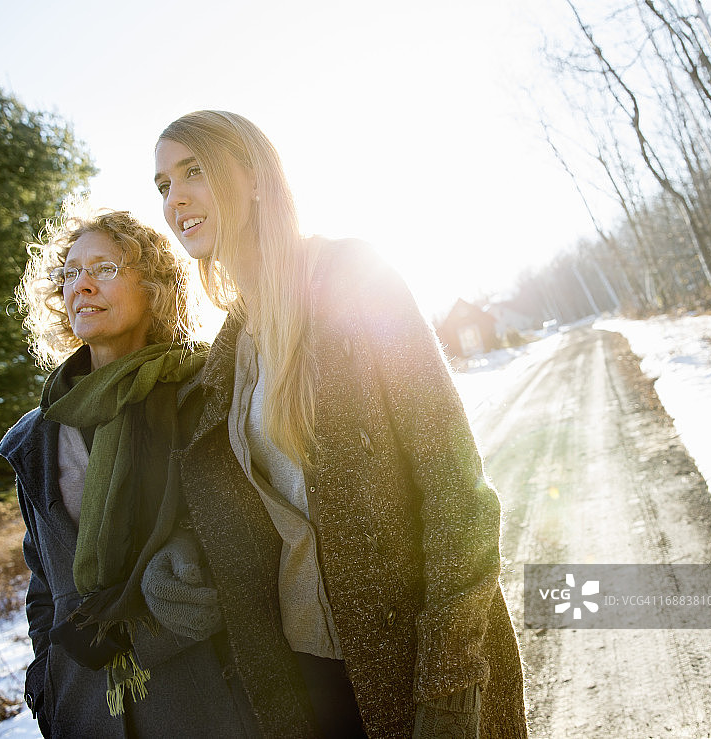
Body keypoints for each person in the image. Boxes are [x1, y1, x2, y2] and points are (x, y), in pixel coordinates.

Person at [154, 111, 528, 738]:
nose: (176, 197)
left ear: (254, 177)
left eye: (195, 170)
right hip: (309, 679)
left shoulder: (353, 278)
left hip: (421, 657)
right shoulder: (226, 355)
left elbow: (458, 491)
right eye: (162, 184)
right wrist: (184, 552)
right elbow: (249, 513)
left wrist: (448, 683)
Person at [0, 206, 258, 738]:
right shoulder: (38, 436)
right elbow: (44, 580)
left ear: (156, 287)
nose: (82, 285)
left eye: (106, 268)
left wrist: (141, 620)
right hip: (85, 708)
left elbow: (246, 543)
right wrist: (46, 686)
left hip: (208, 699)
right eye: (71, 273)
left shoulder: (206, 395)